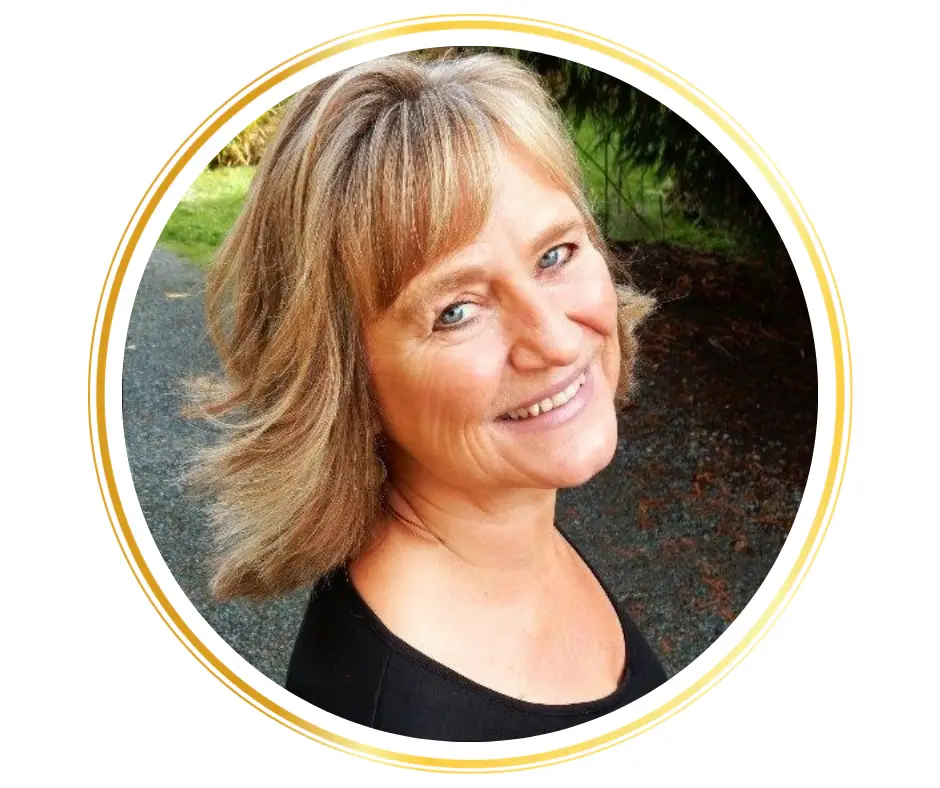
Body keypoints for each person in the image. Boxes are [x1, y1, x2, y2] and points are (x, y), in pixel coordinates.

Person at [190, 50, 666, 742]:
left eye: (555, 255)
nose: (558, 342)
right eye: (456, 311)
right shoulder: (391, 728)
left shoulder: (508, 530)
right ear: (343, 382)